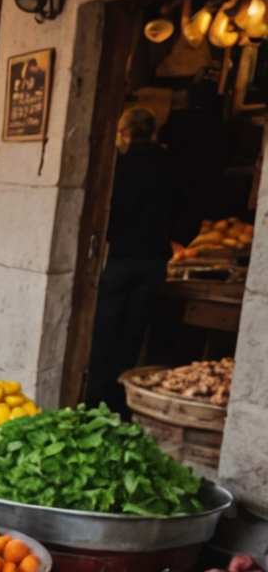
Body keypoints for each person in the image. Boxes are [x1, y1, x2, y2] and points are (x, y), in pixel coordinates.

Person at [85, 108, 186, 415]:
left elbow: (106, 212)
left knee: (104, 332)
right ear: (153, 133)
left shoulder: (119, 166)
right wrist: (174, 237)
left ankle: (95, 402)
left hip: (119, 260)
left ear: (126, 134)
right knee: (132, 334)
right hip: (154, 262)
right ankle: (121, 403)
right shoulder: (173, 165)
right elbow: (187, 210)